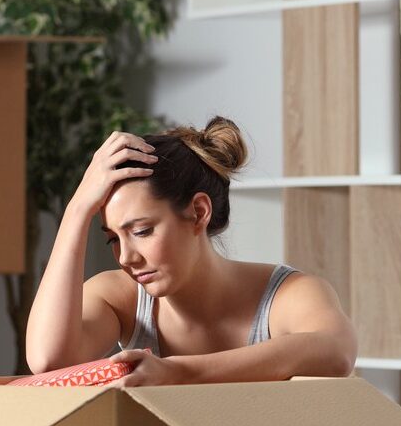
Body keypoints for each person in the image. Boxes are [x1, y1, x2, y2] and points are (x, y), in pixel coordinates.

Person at [25, 116, 356, 386]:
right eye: (113, 238)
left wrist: (179, 372)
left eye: (141, 231)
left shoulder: (288, 295)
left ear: (199, 212)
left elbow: (337, 351)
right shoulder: (121, 298)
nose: (126, 257)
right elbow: (49, 360)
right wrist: (76, 209)